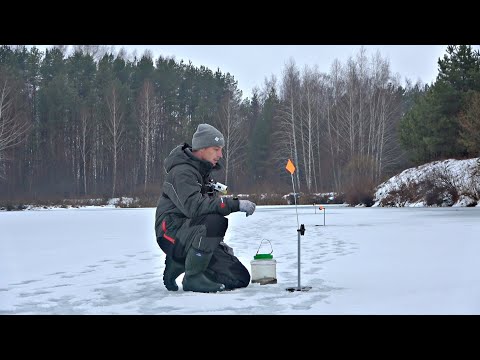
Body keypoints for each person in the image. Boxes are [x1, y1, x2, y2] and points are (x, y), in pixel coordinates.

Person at [155, 123, 257, 293]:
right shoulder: (182, 173)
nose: (220, 154)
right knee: (216, 221)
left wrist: (218, 244)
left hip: (193, 236)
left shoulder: (203, 173)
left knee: (239, 278)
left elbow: (205, 215)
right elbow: (195, 208)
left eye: (221, 149)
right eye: (216, 149)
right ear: (201, 148)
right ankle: (193, 277)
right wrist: (234, 204)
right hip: (171, 234)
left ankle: (179, 263)